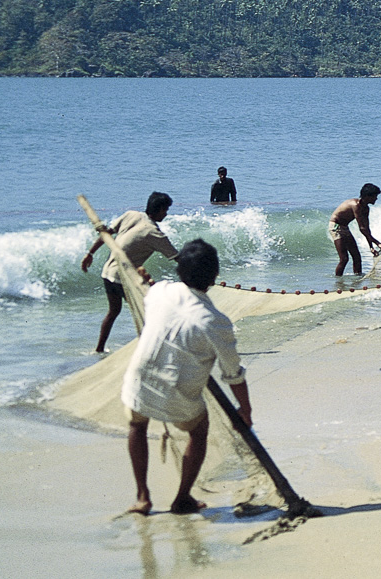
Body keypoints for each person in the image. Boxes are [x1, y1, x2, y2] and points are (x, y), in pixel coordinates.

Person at [121, 238, 252, 515]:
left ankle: (142, 497)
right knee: (199, 430)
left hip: (140, 382)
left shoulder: (160, 291)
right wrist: (246, 410)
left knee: (137, 425)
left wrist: (148, 280)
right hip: (176, 393)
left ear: (179, 269)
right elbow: (233, 373)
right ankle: (182, 498)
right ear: (214, 276)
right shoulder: (215, 321)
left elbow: (154, 299)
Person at [81, 192, 179, 353]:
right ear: (160, 209)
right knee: (151, 311)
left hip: (108, 273)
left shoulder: (130, 215)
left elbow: (106, 234)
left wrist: (90, 253)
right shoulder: (154, 233)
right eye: (165, 210)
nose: (166, 214)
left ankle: (99, 349)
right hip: (124, 278)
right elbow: (177, 258)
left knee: (113, 312)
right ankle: (152, 349)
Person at [329, 183, 381, 276]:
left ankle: (357, 280)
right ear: (367, 196)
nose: (376, 198)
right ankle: (338, 281)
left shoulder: (366, 209)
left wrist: (371, 247)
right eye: (374, 196)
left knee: (357, 257)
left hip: (345, 227)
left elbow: (366, 229)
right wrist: (377, 243)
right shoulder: (356, 205)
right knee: (344, 259)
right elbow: (362, 228)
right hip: (335, 227)